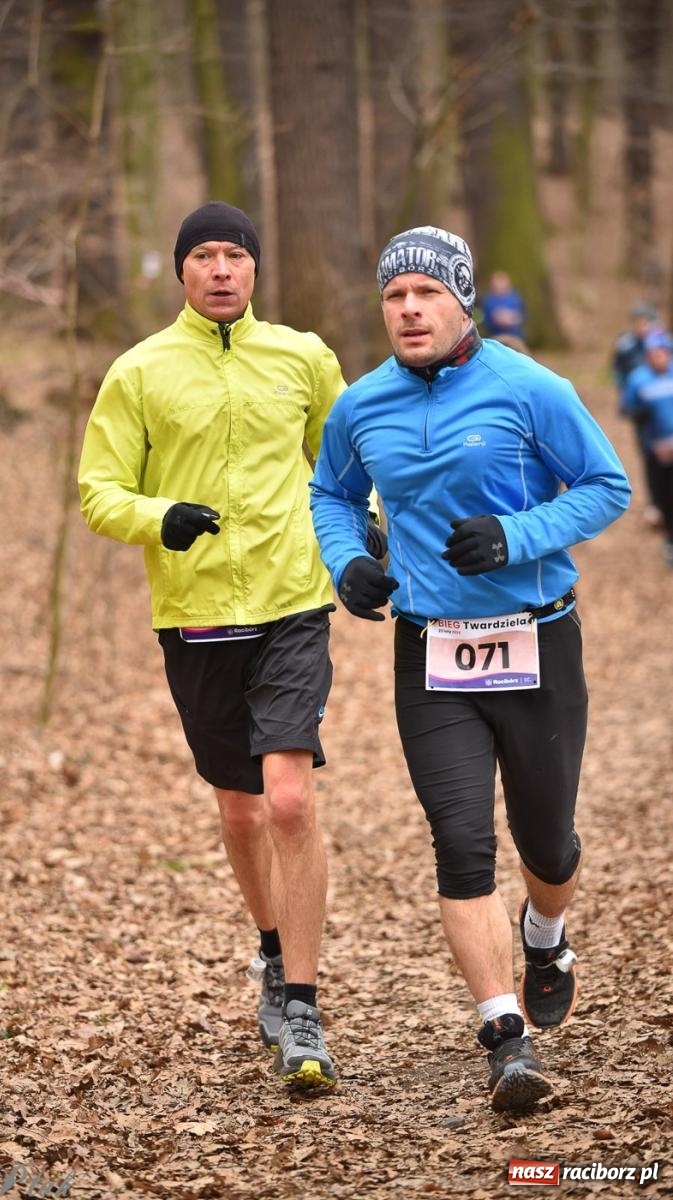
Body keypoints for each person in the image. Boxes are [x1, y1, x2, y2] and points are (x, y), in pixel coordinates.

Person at [309, 225, 631, 1112]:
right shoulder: (361, 403)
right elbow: (329, 494)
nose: (407, 310)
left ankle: (546, 932)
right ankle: (504, 1037)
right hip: (431, 653)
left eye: (424, 294)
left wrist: (515, 537)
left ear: (460, 301)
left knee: (548, 843)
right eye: (392, 297)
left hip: (535, 641)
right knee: (459, 844)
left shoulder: (530, 387)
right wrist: (348, 563)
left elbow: (607, 485)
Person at [78, 201, 382, 1089]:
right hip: (197, 615)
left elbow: (346, 467)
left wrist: (367, 542)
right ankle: (268, 946)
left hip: (291, 601)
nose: (220, 269)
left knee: (289, 800)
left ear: (255, 269)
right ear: (180, 271)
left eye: (235, 255)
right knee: (241, 810)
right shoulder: (137, 373)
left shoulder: (303, 356)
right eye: (203, 255)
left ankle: (302, 1004)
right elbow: (98, 491)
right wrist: (157, 516)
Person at [621, 328, 673, 566]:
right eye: (653, 353)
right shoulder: (638, 379)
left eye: (662, 352)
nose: (658, 357)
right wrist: (642, 411)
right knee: (665, 496)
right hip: (655, 449)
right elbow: (626, 409)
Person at [613, 301, 664, 526]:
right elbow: (617, 371)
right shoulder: (625, 347)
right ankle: (656, 502)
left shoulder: (662, 343)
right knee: (650, 456)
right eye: (638, 322)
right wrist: (627, 394)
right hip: (642, 410)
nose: (642, 326)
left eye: (646, 322)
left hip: (664, 405)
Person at [480, 270, 526, 345]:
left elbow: (522, 315)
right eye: (497, 283)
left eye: (501, 282)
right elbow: (485, 319)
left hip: (514, 337)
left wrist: (512, 318)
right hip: (496, 338)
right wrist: (496, 319)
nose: (499, 285)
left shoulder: (515, 298)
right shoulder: (488, 300)